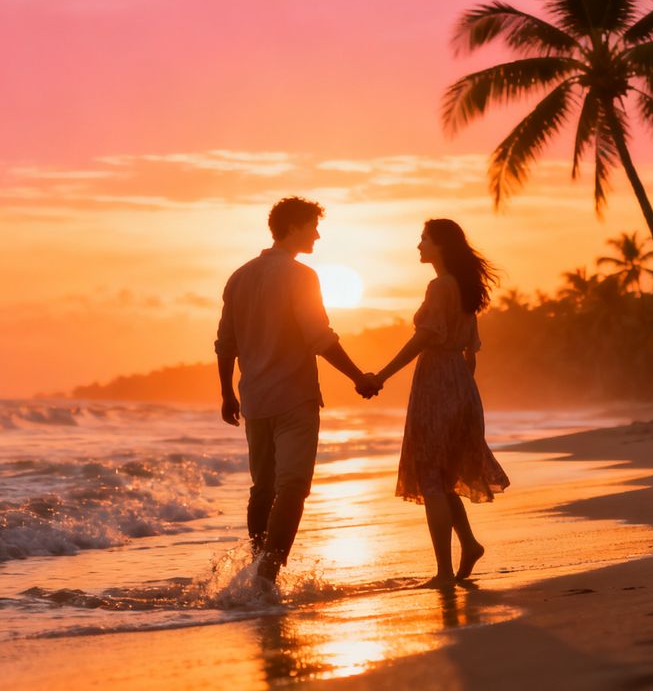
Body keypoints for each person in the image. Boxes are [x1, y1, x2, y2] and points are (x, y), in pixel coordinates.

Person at [215, 197, 379, 585]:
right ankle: (268, 574)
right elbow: (319, 338)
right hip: (293, 397)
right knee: (293, 486)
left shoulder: (239, 276)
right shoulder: (300, 276)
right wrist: (359, 377)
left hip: (254, 398)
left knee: (264, 488)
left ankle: (257, 565)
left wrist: (226, 393)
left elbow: (225, 343)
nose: (318, 235)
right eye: (312, 227)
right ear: (292, 227)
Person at [368, 219, 510, 587]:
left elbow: (423, 339)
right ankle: (469, 544)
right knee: (444, 477)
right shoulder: (463, 288)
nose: (418, 246)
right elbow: (471, 354)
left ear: (441, 246)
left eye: (424, 240)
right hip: (460, 383)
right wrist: (461, 390)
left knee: (432, 477)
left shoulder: (440, 286)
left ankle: (444, 573)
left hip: (437, 383)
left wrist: (382, 375)